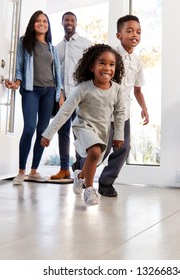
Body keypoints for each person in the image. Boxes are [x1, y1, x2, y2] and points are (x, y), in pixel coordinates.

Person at [41, 44, 125, 205]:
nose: (107, 67)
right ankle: (89, 190)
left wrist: (119, 134)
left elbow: (119, 113)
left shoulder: (117, 90)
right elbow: (65, 111)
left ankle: (79, 177)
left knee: (94, 159)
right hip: (83, 127)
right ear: (92, 66)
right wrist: (48, 133)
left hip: (102, 130)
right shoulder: (83, 89)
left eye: (111, 64)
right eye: (102, 63)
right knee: (94, 152)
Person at [5, 10, 61, 185]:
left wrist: (59, 94)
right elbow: (19, 65)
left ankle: (34, 171)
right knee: (29, 128)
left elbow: (57, 72)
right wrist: (17, 81)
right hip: (31, 90)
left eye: (45, 21)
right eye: (38, 21)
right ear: (32, 24)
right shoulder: (25, 42)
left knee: (43, 132)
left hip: (49, 91)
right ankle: (21, 172)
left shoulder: (52, 47)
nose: (42, 24)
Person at [97, 15, 149, 197]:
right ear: (119, 35)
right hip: (105, 111)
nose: (135, 34)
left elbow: (137, 90)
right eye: (130, 31)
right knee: (100, 151)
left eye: (138, 32)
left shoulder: (137, 61)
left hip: (123, 113)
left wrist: (144, 108)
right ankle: (80, 168)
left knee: (124, 148)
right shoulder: (110, 56)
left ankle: (106, 182)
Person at [50, 11, 92, 180]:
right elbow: (55, 73)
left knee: (80, 132)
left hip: (80, 95)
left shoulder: (85, 44)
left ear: (76, 23)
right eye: (66, 19)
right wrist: (59, 92)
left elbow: (91, 68)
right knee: (63, 131)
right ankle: (64, 168)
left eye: (72, 20)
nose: (69, 22)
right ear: (62, 23)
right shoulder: (56, 48)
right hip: (64, 96)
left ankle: (81, 168)